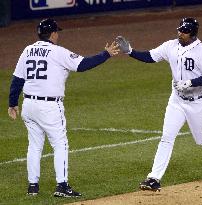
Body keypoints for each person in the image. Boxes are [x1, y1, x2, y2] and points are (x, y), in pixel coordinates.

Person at [8, 18, 119, 197]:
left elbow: (17, 79)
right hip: (49, 107)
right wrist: (105, 54)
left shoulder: (27, 50)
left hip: (28, 105)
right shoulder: (57, 52)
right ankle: (62, 185)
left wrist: (12, 103)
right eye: (57, 32)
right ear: (52, 34)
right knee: (60, 144)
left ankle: (33, 187)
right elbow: (82, 65)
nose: (57, 35)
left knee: (34, 146)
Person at [116, 17, 202, 192]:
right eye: (179, 30)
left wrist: (190, 82)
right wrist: (130, 51)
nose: (180, 33)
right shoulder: (170, 46)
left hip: (199, 102)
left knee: (201, 139)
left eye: (184, 31)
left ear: (192, 33)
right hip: (177, 101)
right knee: (166, 137)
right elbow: (151, 57)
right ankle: (154, 178)